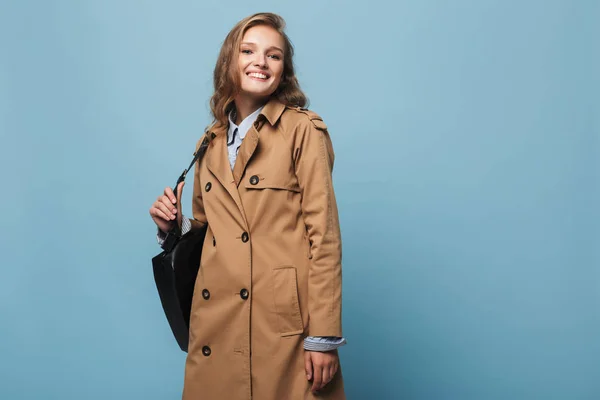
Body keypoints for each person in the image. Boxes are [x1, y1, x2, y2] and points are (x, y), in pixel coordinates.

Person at [149, 12, 346, 399]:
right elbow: (208, 233)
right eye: (248, 50)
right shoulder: (209, 141)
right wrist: (173, 228)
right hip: (216, 321)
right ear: (229, 62)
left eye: (273, 55)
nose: (261, 61)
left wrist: (322, 337)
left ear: (283, 71)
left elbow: (324, 237)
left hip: (281, 326)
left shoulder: (303, 131)